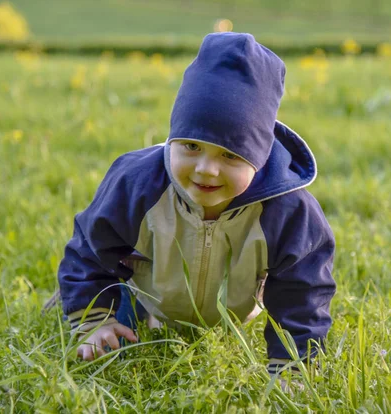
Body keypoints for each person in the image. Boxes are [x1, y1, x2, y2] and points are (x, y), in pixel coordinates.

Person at [55, 32, 336, 373]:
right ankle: (104, 308)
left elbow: (303, 292)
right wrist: (93, 321)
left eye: (230, 155)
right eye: (191, 146)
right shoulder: (136, 185)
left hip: (235, 307)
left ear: (260, 158)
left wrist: (292, 364)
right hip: (148, 292)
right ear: (173, 137)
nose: (206, 169)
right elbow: (90, 248)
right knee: (101, 306)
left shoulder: (288, 211)